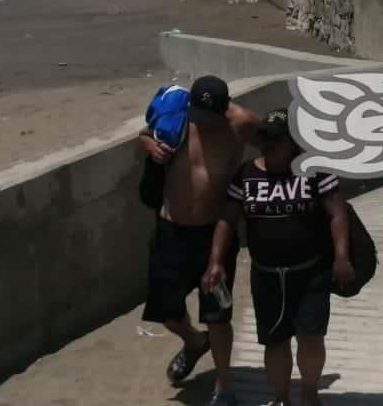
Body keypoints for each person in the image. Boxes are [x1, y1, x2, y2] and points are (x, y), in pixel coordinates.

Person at [205, 109, 353, 406]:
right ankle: (281, 397)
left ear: (293, 142)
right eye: (264, 139)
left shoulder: (315, 171)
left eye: (276, 140)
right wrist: (215, 261)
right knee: (275, 341)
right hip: (266, 277)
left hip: (311, 274)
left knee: (311, 338)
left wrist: (341, 256)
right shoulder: (245, 174)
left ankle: (309, 394)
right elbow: (226, 219)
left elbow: (337, 214)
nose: (268, 146)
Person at [137, 75, 261, 406]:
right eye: (198, 118)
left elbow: (275, 149)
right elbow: (145, 133)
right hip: (170, 230)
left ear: (225, 110)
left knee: (218, 315)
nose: (202, 126)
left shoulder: (243, 123)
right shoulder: (176, 112)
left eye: (210, 120)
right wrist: (147, 144)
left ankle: (225, 386)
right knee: (165, 311)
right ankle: (193, 342)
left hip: (215, 235)